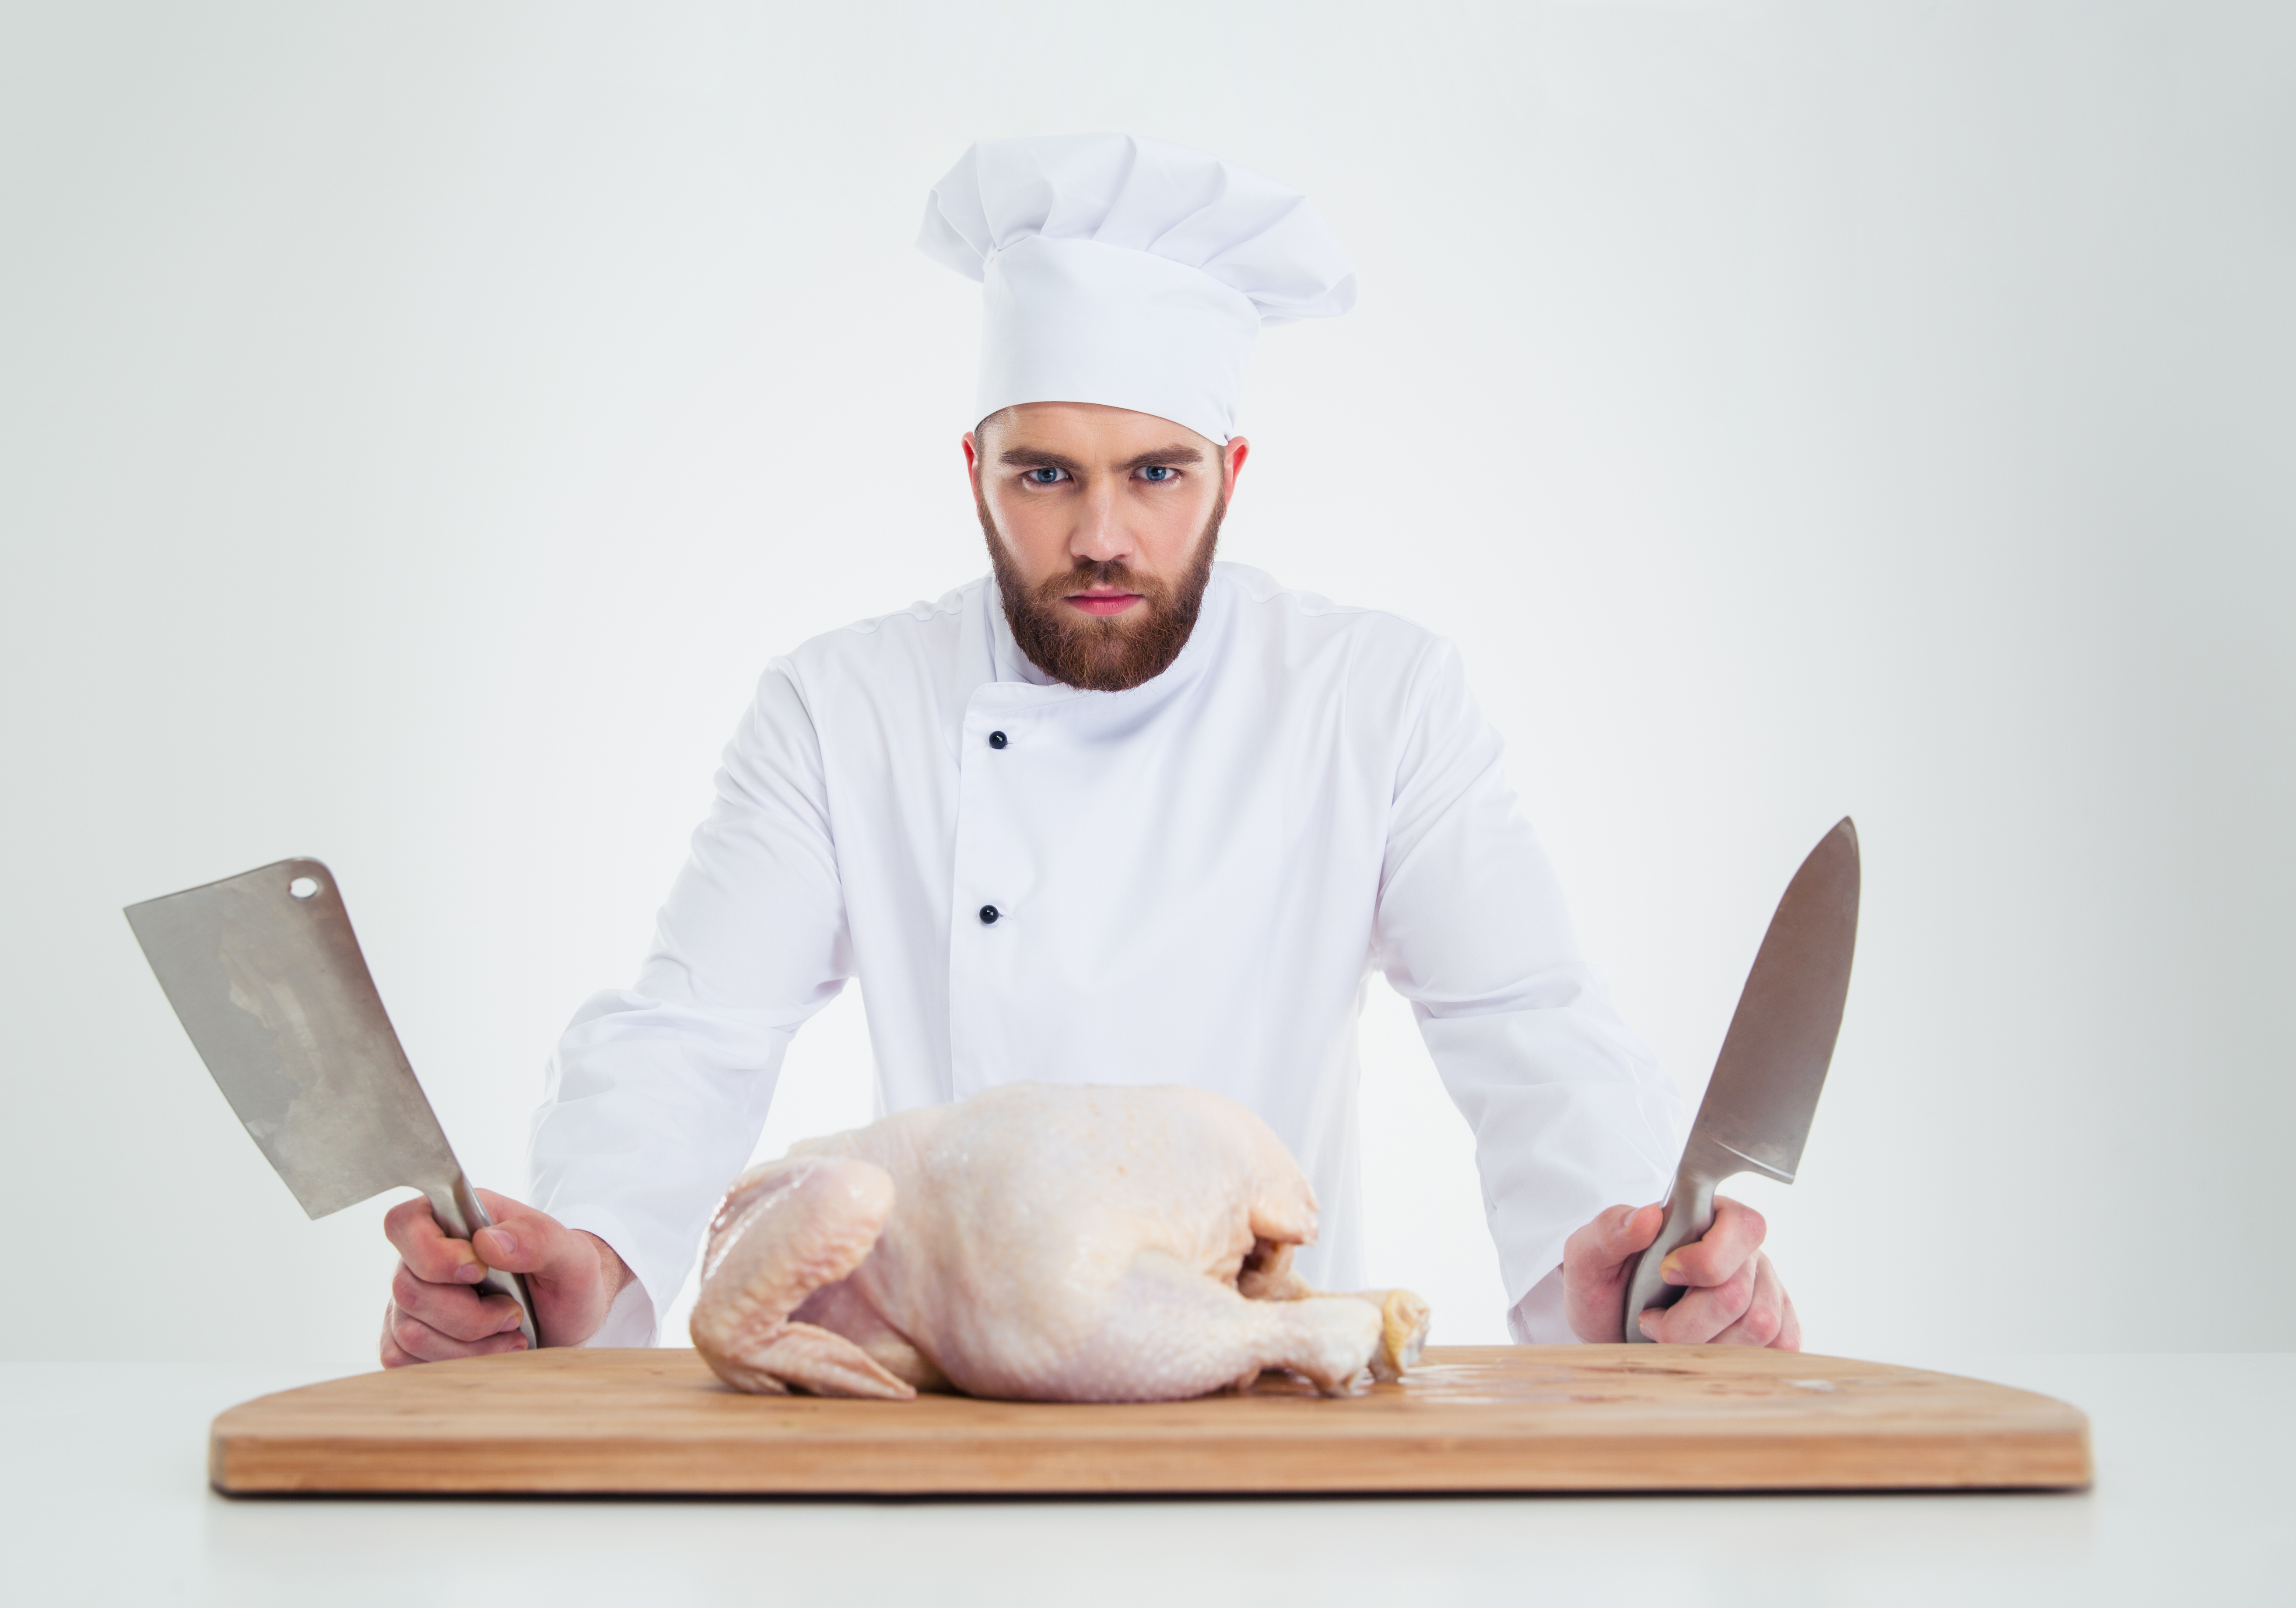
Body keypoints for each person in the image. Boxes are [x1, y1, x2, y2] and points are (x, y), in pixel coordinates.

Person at [380, 133, 1800, 1370]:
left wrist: (1633, 1263)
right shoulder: (843, 706)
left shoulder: (1377, 698)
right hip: (950, 1402)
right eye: (1045, 474)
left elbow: (1528, 1021)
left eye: (1156, 474)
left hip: (1274, 1401)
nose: (1102, 536)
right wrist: (587, 1253)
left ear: (1231, 473)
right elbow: (693, 1029)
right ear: (976, 473)